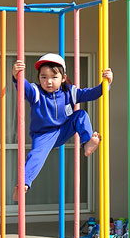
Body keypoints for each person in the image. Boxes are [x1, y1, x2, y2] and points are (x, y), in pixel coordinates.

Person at [12, 54, 113, 196]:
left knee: (81, 115)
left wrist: (106, 84)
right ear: (39, 78)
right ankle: (24, 184)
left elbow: (91, 93)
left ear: (63, 78)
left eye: (54, 77)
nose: (49, 82)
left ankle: (87, 142)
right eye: (44, 77)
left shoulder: (69, 92)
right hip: (43, 135)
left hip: (64, 129)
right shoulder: (36, 92)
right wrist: (17, 76)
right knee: (36, 155)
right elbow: (25, 87)